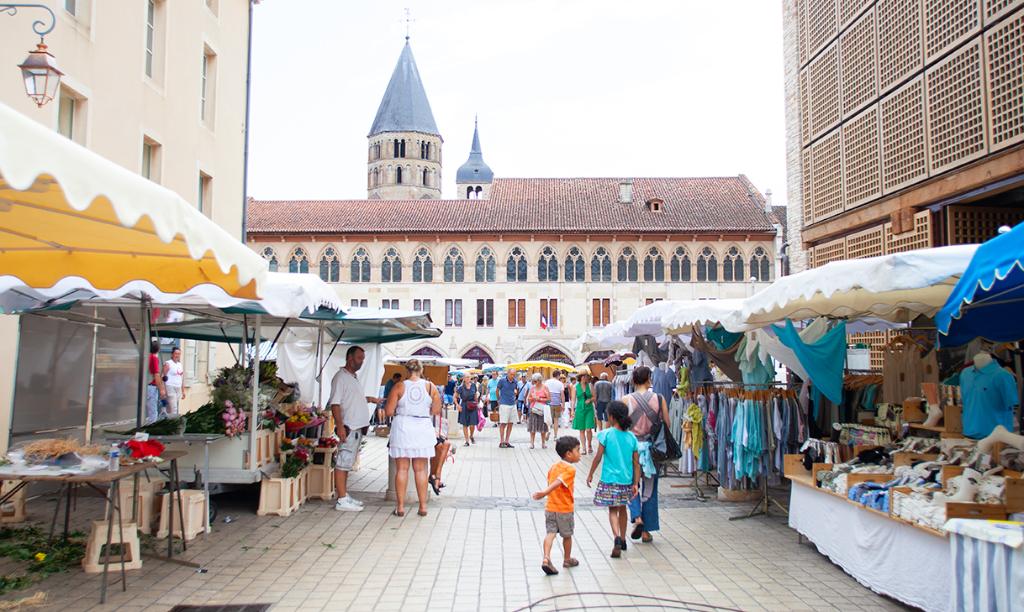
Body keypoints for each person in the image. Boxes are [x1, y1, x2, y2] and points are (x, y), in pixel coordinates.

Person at [385, 359, 442, 517]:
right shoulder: (431, 387)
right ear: (421, 370)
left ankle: (401, 507)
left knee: (402, 469)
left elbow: (389, 411)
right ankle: (423, 506)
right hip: (422, 427)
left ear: (407, 370)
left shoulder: (399, 386)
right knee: (421, 469)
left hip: (403, 426)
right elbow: (436, 409)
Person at [330, 345, 384, 512]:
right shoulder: (341, 377)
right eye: (359, 358)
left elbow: (352, 398)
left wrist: (369, 399)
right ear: (350, 358)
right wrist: (339, 426)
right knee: (342, 462)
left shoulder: (353, 377)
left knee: (347, 463)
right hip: (348, 427)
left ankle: (344, 495)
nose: (362, 362)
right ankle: (341, 499)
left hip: (357, 428)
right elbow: (335, 403)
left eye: (363, 359)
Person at [586, 400, 639, 558]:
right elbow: (636, 463)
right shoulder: (631, 437)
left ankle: (615, 536)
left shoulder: (605, 434)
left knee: (612, 510)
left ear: (611, 417)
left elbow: (598, 457)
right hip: (626, 480)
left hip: (609, 479)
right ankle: (623, 539)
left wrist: (590, 474)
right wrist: (635, 483)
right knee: (623, 508)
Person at [625, 366, 671, 543]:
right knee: (650, 489)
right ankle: (646, 531)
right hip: (652, 450)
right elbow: (666, 423)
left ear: (634, 381)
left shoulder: (626, 399)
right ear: (649, 379)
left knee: (632, 484)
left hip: (632, 449)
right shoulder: (659, 399)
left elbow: (620, 427)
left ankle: (637, 517)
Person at [532, 435, 582, 575]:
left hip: (550, 507)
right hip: (564, 509)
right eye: (578, 450)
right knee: (567, 535)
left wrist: (545, 495)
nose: (580, 454)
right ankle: (567, 559)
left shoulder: (554, 466)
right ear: (569, 454)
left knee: (550, 533)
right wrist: (544, 492)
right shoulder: (570, 470)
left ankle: (546, 558)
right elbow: (558, 482)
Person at [571, 373, 596, 454]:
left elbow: (595, 397)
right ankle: (584, 448)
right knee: (582, 430)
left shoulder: (590, 385)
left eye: (587, 376)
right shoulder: (575, 387)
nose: (586, 378)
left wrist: (590, 400)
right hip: (579, 409)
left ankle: (589, 445)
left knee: (588, 429)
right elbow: (573, 400)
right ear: (580, 377)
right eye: (584, 376)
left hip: (589, 409)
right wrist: (572, 410)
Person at [429, 409, 451, 495]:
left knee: (445, 444)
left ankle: (435, 474)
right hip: (426, 424)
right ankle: (435, 476)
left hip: (436, 424)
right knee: (439, 446)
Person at [526, 373, 551, 449]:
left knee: (543, 427)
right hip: (533, 409)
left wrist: (539, 399)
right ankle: (532, 443)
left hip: (542, 409)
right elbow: (528, 399)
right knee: (532, 426)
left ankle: (543, 443)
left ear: (540, 381)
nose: (534, 383)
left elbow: (549, 399)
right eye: (533, 381)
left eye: (535, 381)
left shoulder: (545, 388)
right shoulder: (532, 388)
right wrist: (533, 398)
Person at [496, 369, 519, 448]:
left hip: (512, 404)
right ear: (508, 373)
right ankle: (501, 441)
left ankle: (507, 441)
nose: (512, 376)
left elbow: (516, 390)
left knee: (511, 423)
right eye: (511, 374)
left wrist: (515, 396)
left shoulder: (515, 382)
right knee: (503, 423)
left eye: (514, 375)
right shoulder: (502, 381)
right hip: (504, 404)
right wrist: (499, 400)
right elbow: (497, 390)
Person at [455, 375, 480, 446]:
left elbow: (475, 395)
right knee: (465, 424)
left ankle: (471, 436)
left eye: (469, 377)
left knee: (473, 424)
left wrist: (477, 403)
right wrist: (457, 405)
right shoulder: (461, 387)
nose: (468, 378)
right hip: (464, 406)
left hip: (472, 405)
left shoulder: (473, 386)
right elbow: (455, 396)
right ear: (464, 379)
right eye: (466, 377)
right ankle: (467, 441)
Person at [145, 341, 166, 424]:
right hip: (152, 386)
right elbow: (156, 375)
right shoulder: (154, 358)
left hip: (146, 385)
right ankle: (151, 429)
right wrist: (161, 389)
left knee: (149, 409)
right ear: (158, 349)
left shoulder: (147, 357)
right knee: (153, 412)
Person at [161, 346, 185, 418]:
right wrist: (163, 389)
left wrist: (183, 391)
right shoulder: (168, 363)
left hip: (178, 387)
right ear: (172, 354)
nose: (177, 355)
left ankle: (168, 422)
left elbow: (181, 378)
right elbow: (162, 376)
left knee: (172, 407)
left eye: (179, 354)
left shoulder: (180, 364)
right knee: (174, 407)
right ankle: (174, 423)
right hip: (170, 386)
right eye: (176, 353)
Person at [544, 373, 566, 440]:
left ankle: (548, 431)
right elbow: (562, 395)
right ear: (558, 376)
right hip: (557, 403)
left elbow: (544, 392)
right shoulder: (560, 383)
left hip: (548, 403)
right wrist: (563, 405)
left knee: (548, 419)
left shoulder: (547, 382)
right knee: (556, 420)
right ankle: (555, 436)